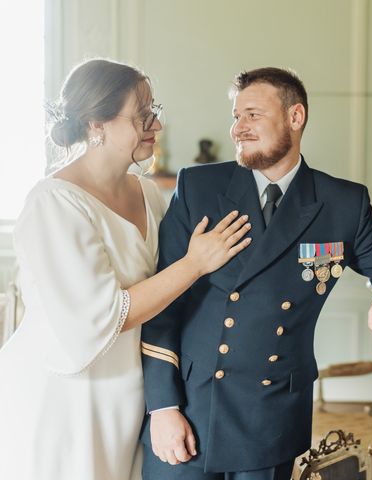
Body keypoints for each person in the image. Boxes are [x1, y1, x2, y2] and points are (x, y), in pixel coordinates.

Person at [141, 67, 372, 480]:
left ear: (295, 118)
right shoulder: (199, 187)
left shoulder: (341, 202)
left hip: (271, 416)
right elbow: (161, 304)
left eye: (252, 115)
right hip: (189, 408)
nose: (238, 129)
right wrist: (162, 407)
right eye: (235, 116)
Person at [0, 59, 251, 480]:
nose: (156, 124)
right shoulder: (54, 204)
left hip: (126, 391)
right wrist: (195, 263)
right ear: (97, 124)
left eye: (155, 111)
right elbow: (104, 314)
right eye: (143, 115)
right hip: (65, 396)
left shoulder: (148, 193)